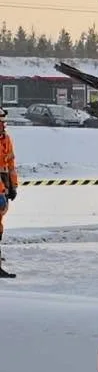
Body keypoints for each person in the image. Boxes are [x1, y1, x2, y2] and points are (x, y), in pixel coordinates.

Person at [0, 106, 20, 279]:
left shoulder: (5, 140)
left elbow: (10, 164)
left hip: (3, 188)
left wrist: (13, 186)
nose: (3, 125)